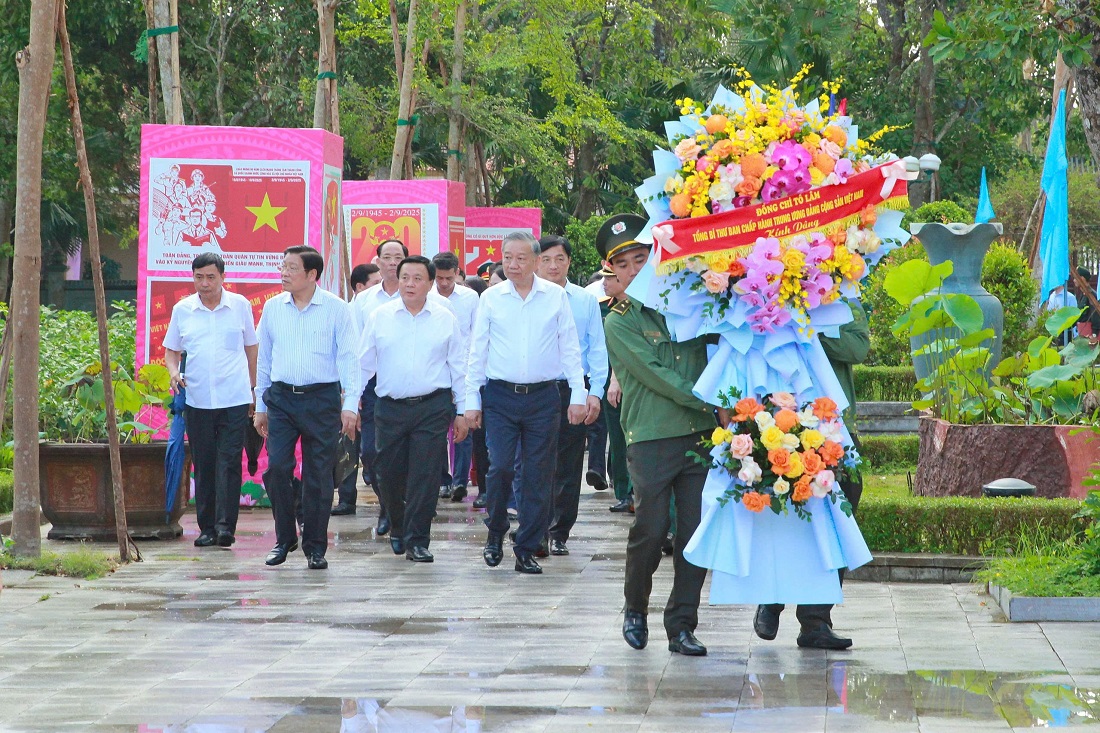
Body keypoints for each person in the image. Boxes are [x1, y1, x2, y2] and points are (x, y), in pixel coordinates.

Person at [599, 214, 724, 657]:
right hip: (652, 436)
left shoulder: (692, 304)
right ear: (611, 269)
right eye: (625, 263)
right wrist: (713, 401)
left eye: (641, 258)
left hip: (699, 436)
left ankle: (682, 625)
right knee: (650, 529)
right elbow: (657, 375)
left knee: (693, 533)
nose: (634, 269)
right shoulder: (620, 321)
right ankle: (636, 609)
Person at [464, 231, 587, 575]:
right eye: (507, 258)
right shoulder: (491, 298)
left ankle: (527, 547)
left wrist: (578, 394)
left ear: (535, 261)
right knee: (500, 466)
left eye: (521, 258)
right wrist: (470, 399)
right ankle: (496, 530)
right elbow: (478, 350)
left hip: (544, 397)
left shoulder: (554, 297)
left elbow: (569, 347)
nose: (513, 265)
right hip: (501, 396)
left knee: (538, 474)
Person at [753, 298, 869, 650]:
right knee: (786, 516)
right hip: (782, 425)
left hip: (834, 430)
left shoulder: (844, 300)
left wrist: (808, 326)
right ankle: (772, 600)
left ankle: (816, 620)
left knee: (840, 514)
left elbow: (857, 346)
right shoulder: (769, 297)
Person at [253, 245, 359, 570]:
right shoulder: (272, 308)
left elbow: (349, 358)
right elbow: (265, 360)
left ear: (312, 275)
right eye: (282, 267)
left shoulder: (337, 309)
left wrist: (350, 405)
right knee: (278, 469)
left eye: (291, 268)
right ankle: (285, 538)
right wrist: (260, 405)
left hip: (322, 400)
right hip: (281, 399)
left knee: (318, 475)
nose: (284, 273)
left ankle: (316, 547)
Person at [360, 255, 469, 563]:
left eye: (417, 278)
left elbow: (458, 366)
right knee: (388, 473)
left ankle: (418, 540)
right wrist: (349, 402)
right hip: (390, 407)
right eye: (405, 277)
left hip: (432, 406)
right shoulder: (380, 316)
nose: (409, 283)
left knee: (426, 474)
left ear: (430, 283)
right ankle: (397, 525)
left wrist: (461, 409)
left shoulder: (445, 317)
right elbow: (363, 363)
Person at [163, 252, 257, 548]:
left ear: (222, 277)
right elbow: (171, 351)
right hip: (198, 399)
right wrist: (174, 372)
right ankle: (207, 528)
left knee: (229, 462)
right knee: (204, 463)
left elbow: (251, 349)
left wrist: (254, 390)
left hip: (234, 398)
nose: (204, 283)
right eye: (199, 277)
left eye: (210, 277)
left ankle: (226, 526)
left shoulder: (240, 306)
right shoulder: (183, 309)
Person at [535, 235, 607, 556]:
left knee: (568, 461)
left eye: (560, 259)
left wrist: (595, 392)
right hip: (535, 389)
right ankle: (535, 525)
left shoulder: (585, 300)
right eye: (547, 259)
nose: (553, 265)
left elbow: (597, 349)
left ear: (568, 262)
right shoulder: (527, 297)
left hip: (572, 389)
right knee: (535, 460)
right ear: (537, 261)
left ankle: (559, 530)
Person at [432, 251, 480, 503]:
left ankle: (460, 481)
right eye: (439, 278)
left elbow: (477, 334)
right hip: (437, 373)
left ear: (458, 273)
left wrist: (471, 370)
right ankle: (443, 480)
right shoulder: (426, 298)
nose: (443, 284)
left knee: (464, 427)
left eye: (449, 278)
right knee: (437, 430)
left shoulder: (471, 298)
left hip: (466, 370)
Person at [588, 268, 635, 513]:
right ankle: (624, 491)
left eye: (610, 278)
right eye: (604, 277)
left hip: (634, 379)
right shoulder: (601, 308)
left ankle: (639, 491)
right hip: (609, 379)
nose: (605, 283)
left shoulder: (641, 307)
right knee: (617, 438)